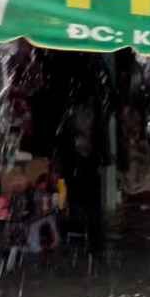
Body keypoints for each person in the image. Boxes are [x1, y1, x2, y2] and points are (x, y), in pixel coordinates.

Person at [54, 80, 109, 256]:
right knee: (82, 203)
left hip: (82, 164)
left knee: (82, 203)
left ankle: (86, 240)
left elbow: (62, 136)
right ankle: (88, 241)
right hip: (78, 164)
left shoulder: (86, 111)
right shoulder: (81, 111)